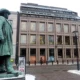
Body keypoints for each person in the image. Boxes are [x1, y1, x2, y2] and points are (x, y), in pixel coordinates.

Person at [0, 9, 17, 74]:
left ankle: (1, 68)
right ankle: (9, 68)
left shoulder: (7, 21)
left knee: (3, 54)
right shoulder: (1, 18)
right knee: (7, 54)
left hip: (7, 40)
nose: (8, 15)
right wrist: (1, 37)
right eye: (7, 14)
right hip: (4, 40)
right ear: (4, 13)